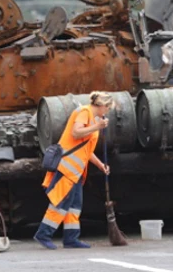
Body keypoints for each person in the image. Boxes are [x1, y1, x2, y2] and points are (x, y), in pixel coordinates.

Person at [33, 91, 113, 249]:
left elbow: (86, 151)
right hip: (67, 168)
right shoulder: (84, 112)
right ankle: (43, 234)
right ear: (102, 105)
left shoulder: (93, 119)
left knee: (74, 204)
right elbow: (75, 133)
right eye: (108, 107)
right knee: (61, 201)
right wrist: (97, 126)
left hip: (75, 171)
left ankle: (71, 238)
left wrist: (100, 165)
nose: (108, 111)